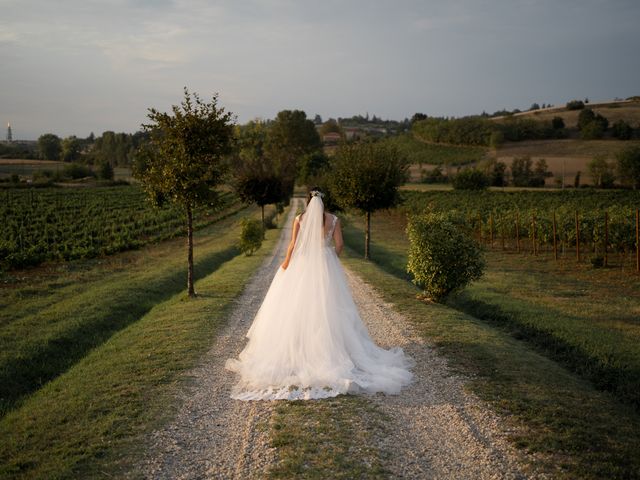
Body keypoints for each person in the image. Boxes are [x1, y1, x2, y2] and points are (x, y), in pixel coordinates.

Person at [225, 188, 413, 400]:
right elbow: (340, 245)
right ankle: (332, 349)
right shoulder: (334, 220)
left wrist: (286, 264)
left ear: (308, 203)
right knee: (328, 307)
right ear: (324, 203)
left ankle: (298, 349)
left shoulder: (300, 218)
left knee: (298, 306)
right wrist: (330, 257)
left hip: (303, 264)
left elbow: (293, 245)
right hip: (325, 263)